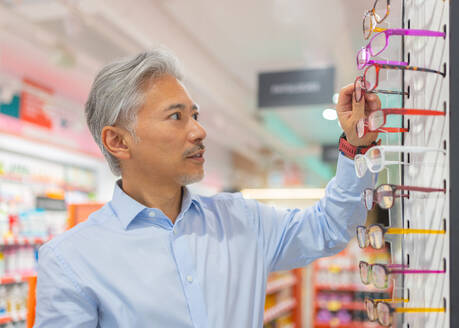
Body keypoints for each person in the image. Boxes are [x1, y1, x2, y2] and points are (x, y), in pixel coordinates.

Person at [34, 48, 380, 328]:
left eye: (195, 115)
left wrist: (356, 147)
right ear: (118, 141)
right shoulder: (71, 261)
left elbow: (329, 228)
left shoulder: (243, 221)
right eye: (176, 116)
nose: (199, 131)